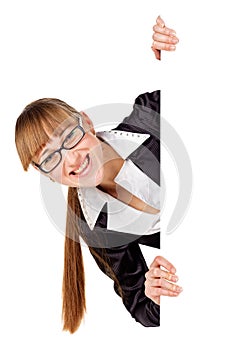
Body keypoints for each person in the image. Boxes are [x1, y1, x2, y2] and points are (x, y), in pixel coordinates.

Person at [15, 16, 181, 334]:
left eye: (69, 137)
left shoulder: (151, 113)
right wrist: (156, 293)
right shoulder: (99, 230)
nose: (72, 159)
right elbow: (143, 310)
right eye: (50, 158)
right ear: (47, 175)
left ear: (87, 123)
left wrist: (178, 58)